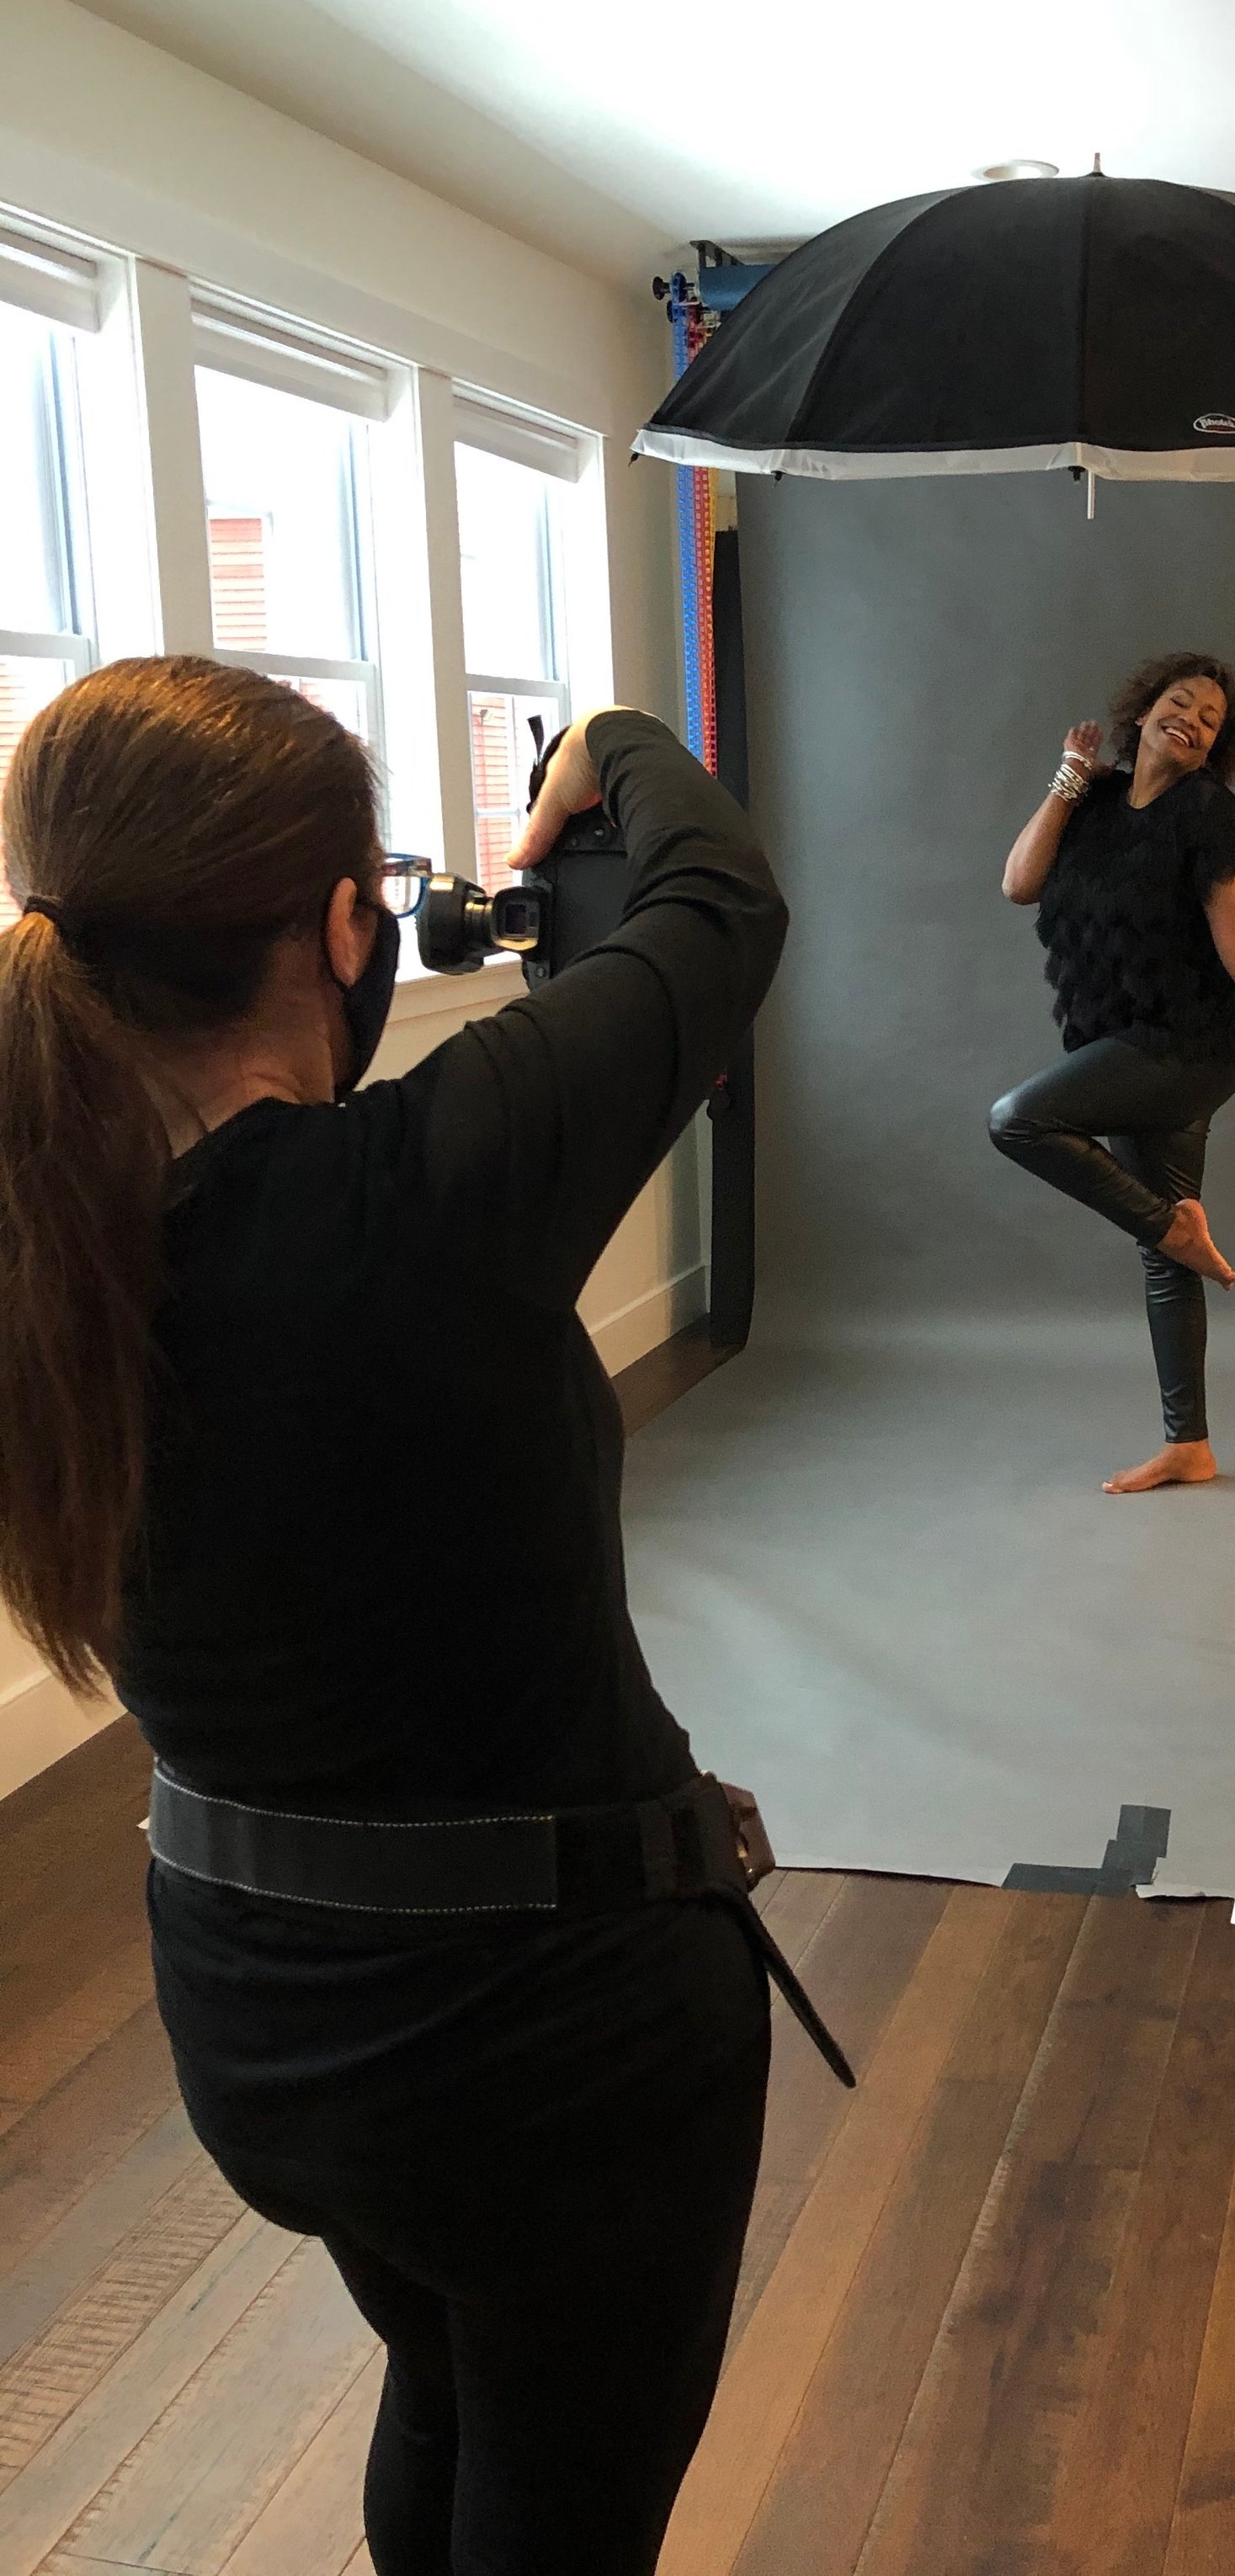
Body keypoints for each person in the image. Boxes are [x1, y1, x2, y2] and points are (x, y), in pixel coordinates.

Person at [0, 657, 789, 2576]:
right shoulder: (419, 1193)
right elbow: (720, 902)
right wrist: (611, 744)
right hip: (557, 2055)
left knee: (445, 2376)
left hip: (257, 2020)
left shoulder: (45, 1241)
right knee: (550, 2473)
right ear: (347, 932)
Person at [990, 652, 1235, 1493]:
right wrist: (1068, 777)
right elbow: (1019, 883)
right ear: (1143, 713)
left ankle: (1172, 1226)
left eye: (1211, 720)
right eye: (1181, 703)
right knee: (1165, 1261)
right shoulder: (1094, 800)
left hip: (1188, 1048)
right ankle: (1190, 1445)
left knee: (1019, 1120)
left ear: (1215, 748)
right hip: (1118, 1040)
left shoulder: (1207, 812)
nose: (1193, 721)